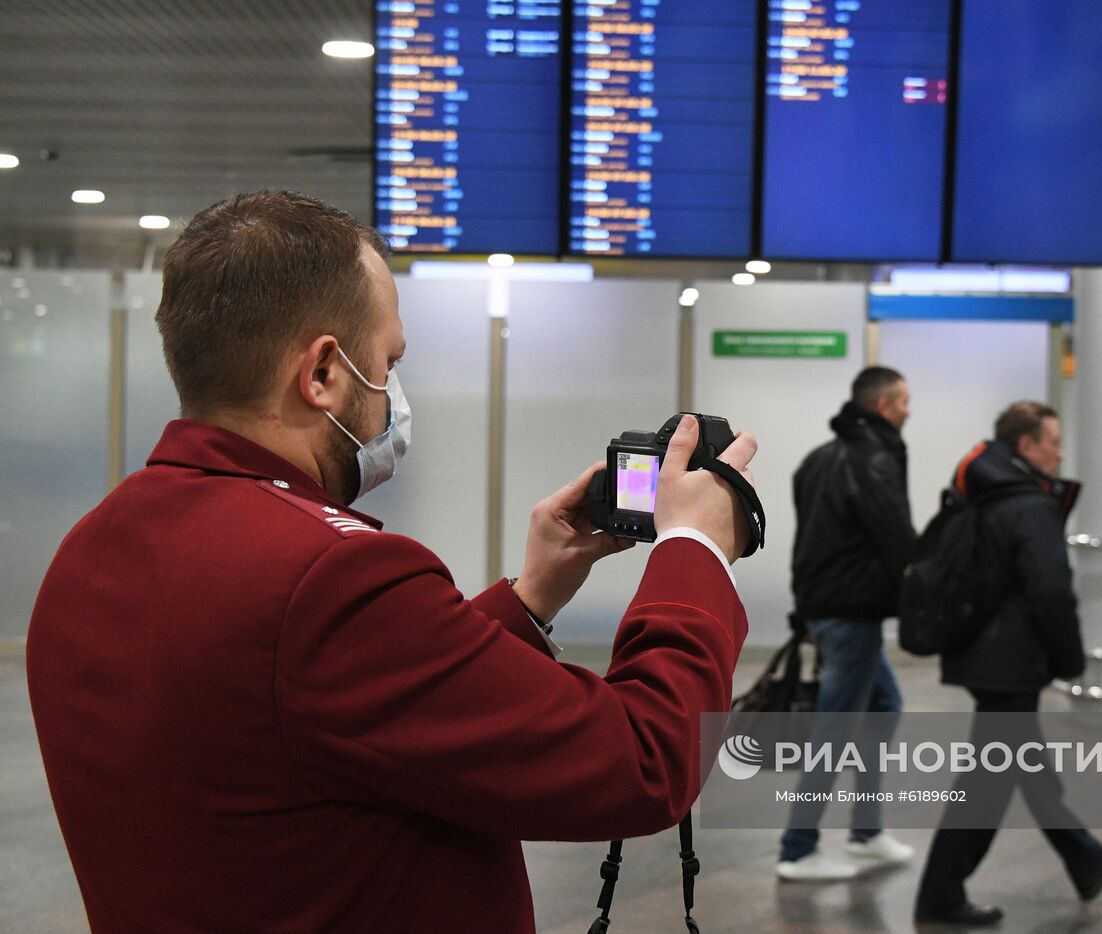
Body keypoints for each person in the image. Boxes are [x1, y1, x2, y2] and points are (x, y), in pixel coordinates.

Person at [26, 190, 758, 933]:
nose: (394, 396)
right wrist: (693, 551)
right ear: (322, 374)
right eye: (389, 361)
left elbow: (330, 711)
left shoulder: (92, 547)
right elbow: (641, 762)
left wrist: (530, 595)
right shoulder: (328, 577)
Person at [913, 401, 1102, 927]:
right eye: (1052, 440)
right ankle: (939, 896)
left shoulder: (985, 495)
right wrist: (1070, 659)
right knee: (985, 787)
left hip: (987, 655)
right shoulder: (1029, 506)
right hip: (1009, 660)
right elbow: (1051, 591)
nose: (1059, 451)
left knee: (1025, 769)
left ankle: (1085, 859)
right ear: (1026, 447)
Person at [776, 366, 919, 881]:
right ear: (883, 405)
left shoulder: (817, 459)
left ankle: (866, 831)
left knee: (884, 704)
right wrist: (922, 596)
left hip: (830, 607)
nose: (909, 410)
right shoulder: (874, 459)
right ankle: (797, 848)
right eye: (903, 401)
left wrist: (804, 608)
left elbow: (807, 543)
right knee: (835, 727)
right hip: (851, 613)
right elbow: (896, 537)